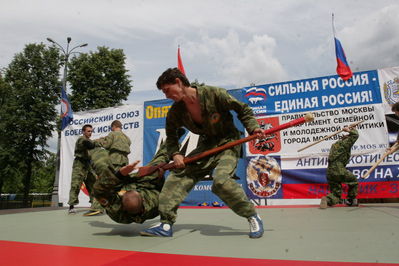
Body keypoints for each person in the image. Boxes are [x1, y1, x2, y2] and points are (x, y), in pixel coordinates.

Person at [141, 67, 265, 238]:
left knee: (221, 182)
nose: (166, 96)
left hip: (229, 142)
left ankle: (253, 216)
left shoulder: (214, 94)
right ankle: (166, 224)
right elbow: (170, 137)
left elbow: (243, 109)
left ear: (178, 82)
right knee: (179, 174)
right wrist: (176, 154)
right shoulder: (176, 111)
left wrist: (254, 128)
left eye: (167, 90)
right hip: (208, 145)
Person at [87, 128, 185, 224]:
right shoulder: (154, 204)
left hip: (119, 185)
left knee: (102, 167)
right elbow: (163, 192)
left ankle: (90, 148)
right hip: (146, 185)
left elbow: (98, 191)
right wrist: (160, 174)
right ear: (142, 199)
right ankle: (173, 139)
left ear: (123, 206)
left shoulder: (116, 211)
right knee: (159, 162)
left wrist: (120, 175)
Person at [320, 126, 359, 209]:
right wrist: (349, 130)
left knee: (336, 193)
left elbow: (350, 136)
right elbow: (355, 135)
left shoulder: (335, 145)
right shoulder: (345, 144)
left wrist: (350, 131)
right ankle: (351, 200)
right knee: (353, 181)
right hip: (339, 169)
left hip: (330, 172)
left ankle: (327, 199)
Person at [68, 124, 103, 216]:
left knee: (93, 185)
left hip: (88, 164)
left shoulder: (91, 141)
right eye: (88, 131)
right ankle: (71, 207)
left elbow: (96, 148)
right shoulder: (81, 139)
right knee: (75, 185)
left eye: (91, 131)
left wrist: (105, 141)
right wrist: (97, 142)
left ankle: (94, 206)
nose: (90, 133)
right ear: (83, 132)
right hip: (79, 164)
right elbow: (90, 145)